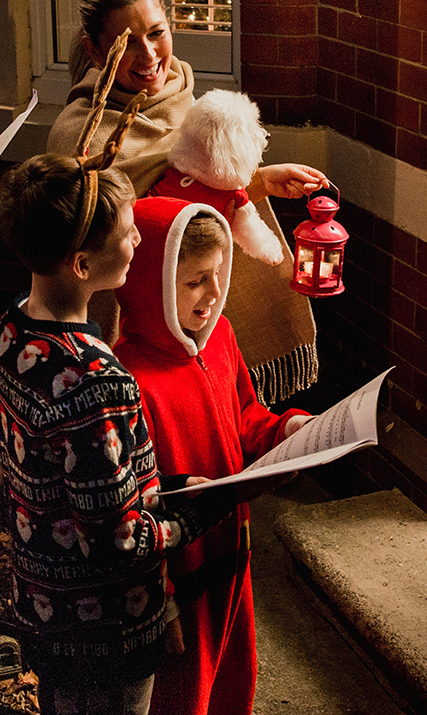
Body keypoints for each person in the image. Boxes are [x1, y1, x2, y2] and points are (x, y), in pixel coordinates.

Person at [0, 148, 238, 715]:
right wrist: (203, 506)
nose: (140, 242)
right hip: (105, 627)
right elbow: (116, 542)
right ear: (81, 264)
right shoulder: (95, 380)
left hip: (44, 603)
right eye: (127, 233)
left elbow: (67, 483)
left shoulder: (9, 333)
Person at [47, 0, 327, 406]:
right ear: (96, 51)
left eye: (157, 33)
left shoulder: (183, 97)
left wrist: (259, 182)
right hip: (133, 333)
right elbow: (146, 218)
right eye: (127, 43)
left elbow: (192, 198)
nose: (149, 56)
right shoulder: (79, 137)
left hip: (198, 309)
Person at [115, 198, 311, 715]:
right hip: (182, 569)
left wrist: (289, 430)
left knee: (232, 675)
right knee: (184, 692)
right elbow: (127, 505)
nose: (215, 292)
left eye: (220, 274)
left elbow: (245, 417)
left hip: (233, 550)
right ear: (151, 284)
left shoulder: (220, 337)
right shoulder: (129, 379)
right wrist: (161, 598)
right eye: (195, 281)